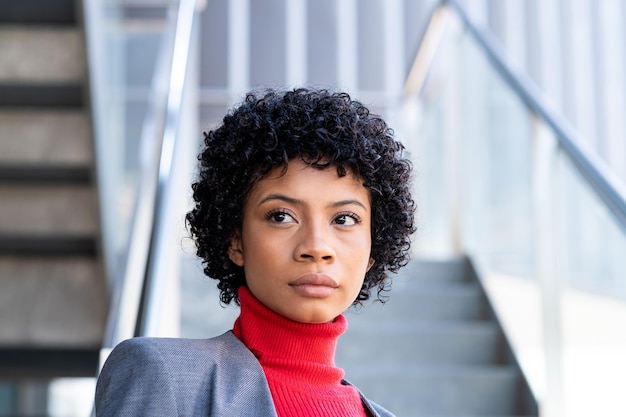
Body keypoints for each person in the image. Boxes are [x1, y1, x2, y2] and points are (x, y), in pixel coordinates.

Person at [95, 88, 415, 416]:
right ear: (236, 241)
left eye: (344, 219)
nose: (317, 247)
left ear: (373, 247)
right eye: (281, 216)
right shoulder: (162, 376)